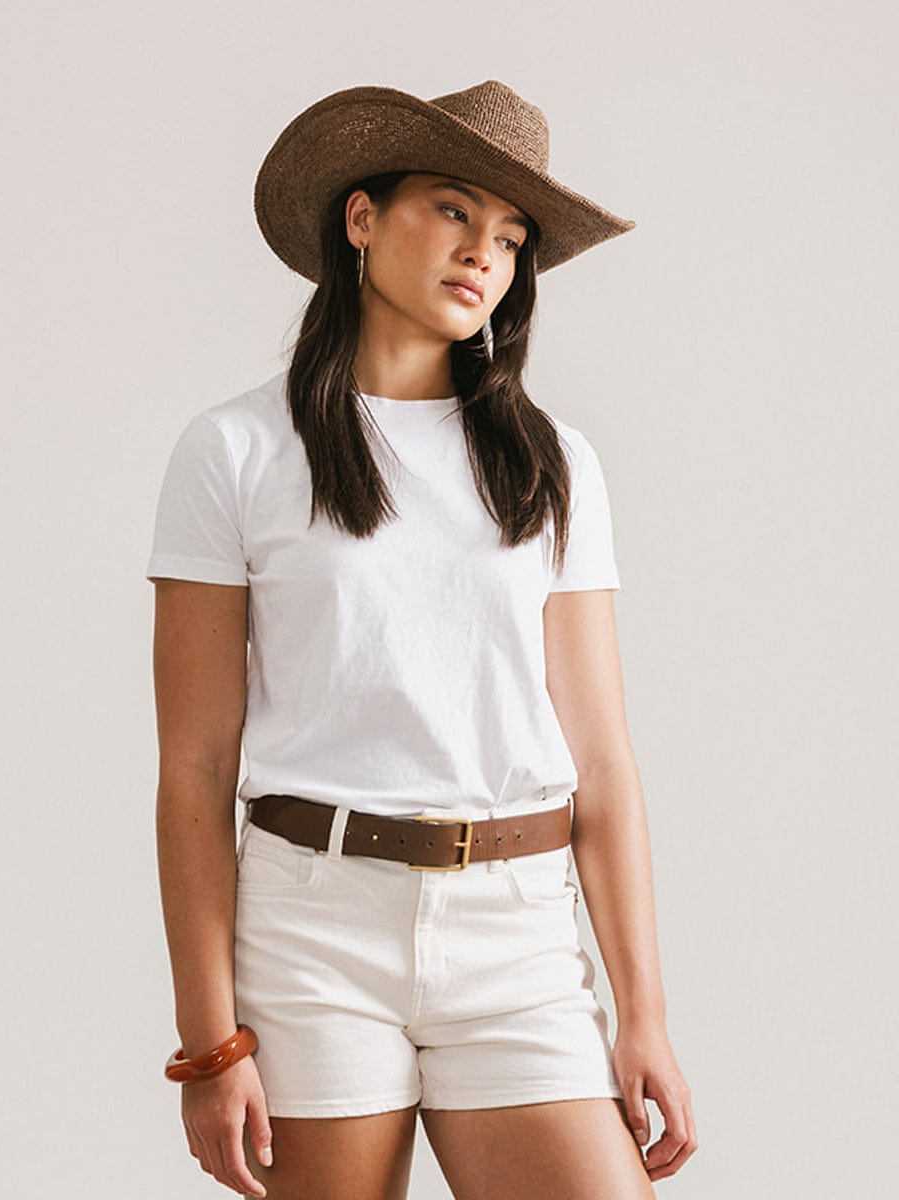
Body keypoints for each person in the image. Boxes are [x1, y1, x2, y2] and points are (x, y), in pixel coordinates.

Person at [146, 79, 697, 1200]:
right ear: (360, 218)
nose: (482, 254)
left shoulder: (550, 464)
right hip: (313, 928)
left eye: (507, 236)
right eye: (452, 210)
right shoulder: (235, 452)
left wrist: (643, 1014)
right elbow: (194, 768)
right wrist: (209, 1044)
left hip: (519, 932)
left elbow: (602, 765)